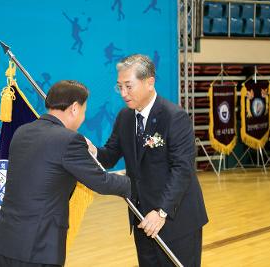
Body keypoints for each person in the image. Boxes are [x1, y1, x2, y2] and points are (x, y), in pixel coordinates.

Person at [0, 80, 131, 267]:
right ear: (74, 108)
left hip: (4, 243)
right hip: (37, 249)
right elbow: (102, 182)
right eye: (84, 110)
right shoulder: (68, 140)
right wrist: (136, 183)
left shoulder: (22, 132)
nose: (83, 117)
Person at [87, 54, 208, 267]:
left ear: (149, 82)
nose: (123, 94)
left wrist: (162, 212)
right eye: (119, 87)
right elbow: (109, 156)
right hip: (142, 219)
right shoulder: (125, 118)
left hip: (175, 220)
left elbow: (182, 169)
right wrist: (92, 150)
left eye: (128, 86)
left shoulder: (174, 117)